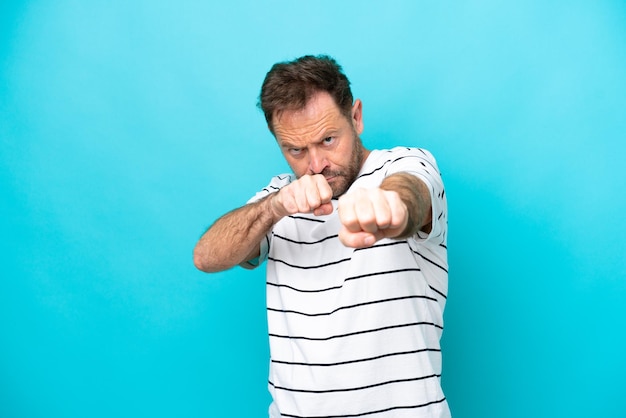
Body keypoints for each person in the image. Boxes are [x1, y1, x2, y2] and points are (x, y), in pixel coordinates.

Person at [194, 55, 450, 418]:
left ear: (356, 117)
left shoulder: (405, 165)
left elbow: (411, 193)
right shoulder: (281, 197)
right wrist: (274, 208)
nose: (315, 165)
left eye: (328, 139)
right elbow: (206, 257)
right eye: (296, 150)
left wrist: (390, 207)